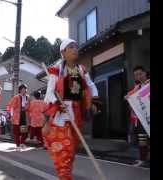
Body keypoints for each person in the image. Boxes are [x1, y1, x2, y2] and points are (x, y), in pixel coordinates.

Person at [42, 38, 99, 180]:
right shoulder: (57, 71)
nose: (75, 49)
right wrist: (57, 102)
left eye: (76, 47)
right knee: (64, 153)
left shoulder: (81, 70)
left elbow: (90, 86)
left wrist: (94, 101)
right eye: (71, 47)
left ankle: (65, 175)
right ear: (63, 52)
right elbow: (49, 93)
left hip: (76, 115)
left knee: (71, 153)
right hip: (61, 117)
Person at [127, 66, 150, 167]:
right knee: (142, 140)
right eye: (136, 75)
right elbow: (130, 97)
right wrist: (128, 97)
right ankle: (142, 159)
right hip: (141, 118)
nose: (139, 76)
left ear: (145, 73)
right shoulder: (137, 87)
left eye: (140, 74)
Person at [6, 84, 30, 152]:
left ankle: (22, 143)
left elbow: (29, 106)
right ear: (20, 90)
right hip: (17, 116)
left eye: (25, 89)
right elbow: (11, 107)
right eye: (22, 89)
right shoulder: (16, 97)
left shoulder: (27, 97)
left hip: (24, 115)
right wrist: (11, 115)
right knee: (16, 132)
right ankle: (18, 145)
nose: (24, 90)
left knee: (24, 131)